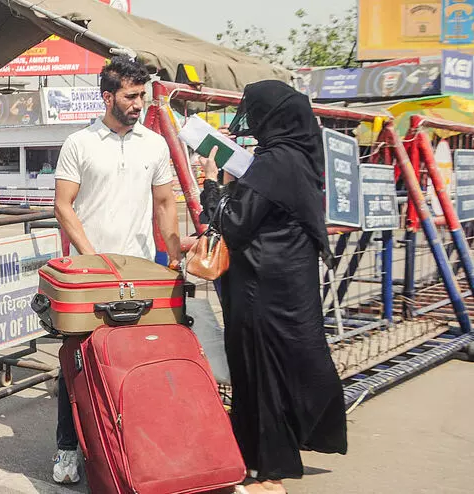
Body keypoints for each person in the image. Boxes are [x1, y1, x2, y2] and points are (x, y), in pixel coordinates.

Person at [197, 80, 347, 494]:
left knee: (260, 375)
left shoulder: (274, 162)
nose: (253, 121)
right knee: (271, 372)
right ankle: (253, 461)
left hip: (261, 291)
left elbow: (233, 223)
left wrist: (212, 182)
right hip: (286, 287)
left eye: (256, 113)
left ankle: (270, 474)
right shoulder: (297, 158)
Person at [52, 56, 183, 484]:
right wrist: (94, 262)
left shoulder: (155, 144)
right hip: (91, 274)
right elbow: (63, 206)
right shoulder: (79, 143)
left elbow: (165, 204)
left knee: (137, 358)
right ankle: (68, 448)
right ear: (107, 96)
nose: (138, 103)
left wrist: (175, 254)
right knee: (77, 360)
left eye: (142, 95)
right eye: (130, 95)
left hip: (142, 272)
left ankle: (125, 447)